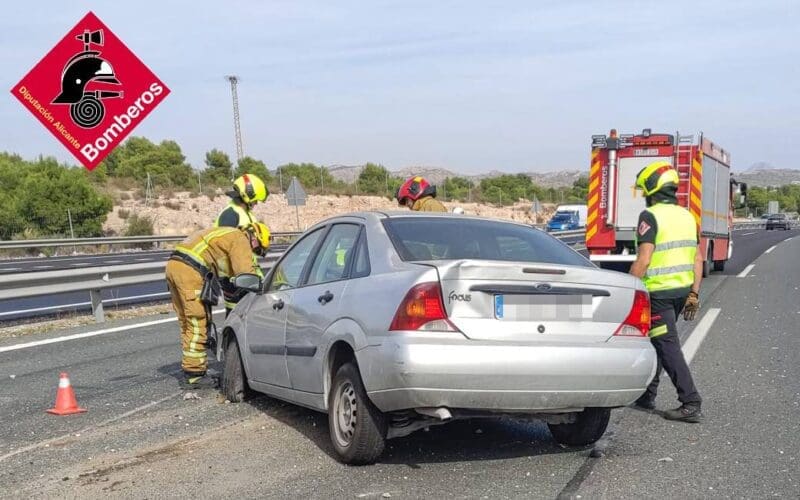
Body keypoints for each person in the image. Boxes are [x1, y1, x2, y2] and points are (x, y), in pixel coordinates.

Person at [629, 160, 703, 422]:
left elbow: (644, 259)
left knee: (667, 345)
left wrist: (628, 288)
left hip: (658, 294)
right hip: (681, 292)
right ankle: (647, 395)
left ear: (651, 190)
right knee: (657, 340)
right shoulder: (688, 216)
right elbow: (697, 258)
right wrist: (694, 292)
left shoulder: (650, 217)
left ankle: (690, 401)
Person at [165, 222, 270, 389]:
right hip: (190, 271)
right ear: (256, 239)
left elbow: (225, 273)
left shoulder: (226, 234)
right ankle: (194, 375)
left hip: (174, 265)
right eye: (257, 250)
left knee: (186, 322)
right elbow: (246, 273)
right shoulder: (240, 239)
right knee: (197, 321)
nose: (254, 254)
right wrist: (261, 288)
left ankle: (190, 365)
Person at [215, 173, 270, 315]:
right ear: (248, 195)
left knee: (249, 314)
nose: (256, 203)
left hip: (245, 273)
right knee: (237, 315)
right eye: (255, 200)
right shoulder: (230, 214)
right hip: (233, 276)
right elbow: (224, 245)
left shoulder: (246, 213)